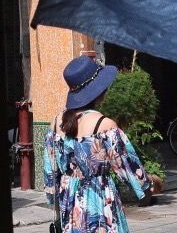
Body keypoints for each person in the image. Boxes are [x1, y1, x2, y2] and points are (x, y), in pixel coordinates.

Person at [43, 56, 155, 233]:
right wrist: (147, 186)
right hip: (100, 202)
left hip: (69, 206)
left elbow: (50, 176)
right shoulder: (104, 125)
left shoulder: (56, 123)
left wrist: (55, 199)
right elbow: (129, 169)